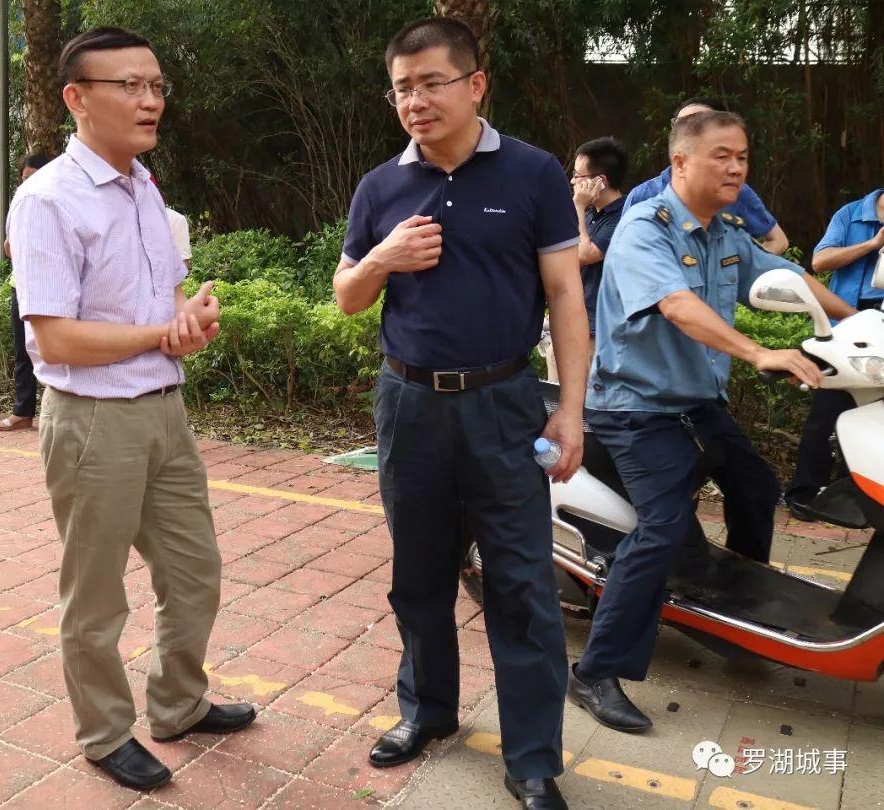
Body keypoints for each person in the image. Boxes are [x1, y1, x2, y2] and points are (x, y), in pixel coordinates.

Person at [334, 18, 589, 810]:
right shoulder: (381, 187)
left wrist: (570, 411)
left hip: (503, 404)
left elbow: (566, 296)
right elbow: (347, 297)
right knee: (418, 575)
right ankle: (427, 712)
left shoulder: (533, 173)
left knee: (521, 585)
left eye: (431, 83)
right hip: (408, 404)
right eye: (402, 89)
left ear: (475, 84)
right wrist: (382, 258)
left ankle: (533, 759)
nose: (415, 101)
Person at [6, 26, 254, 791]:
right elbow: (54, 337)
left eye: (156, 86)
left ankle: (178, 704)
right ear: (77, 98)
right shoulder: (47, 199)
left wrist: (188, 324)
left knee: (196, 572)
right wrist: (158, 334)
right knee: (96, 596)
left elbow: (163, 304)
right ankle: (106, 732)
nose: (150, 101)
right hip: (92, 423)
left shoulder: (144, 186)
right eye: (130, 86)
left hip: (164, 413)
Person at [568, 110, 857, 734]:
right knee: (662, 527)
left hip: (697, 406)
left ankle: (733, 611)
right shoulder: (644, 228)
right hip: (635, 412)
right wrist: (758, 352)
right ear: (680, 162)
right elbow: (676, 304)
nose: (735, 168)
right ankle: (595, 671)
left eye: (743, 157)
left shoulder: (724, 233)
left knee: (756, 488)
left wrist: (858, 322)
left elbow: (788, 276)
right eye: (721, 155)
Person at [785, 186, 884, 515]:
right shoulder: (851, 214)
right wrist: (873, 244)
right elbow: (820, 261)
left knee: (874, 419)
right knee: (826, 413)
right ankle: (803, 494)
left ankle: (861, 498)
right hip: (848, 328)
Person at [624, 97, 789, 255]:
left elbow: (778, 241)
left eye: (741, 158)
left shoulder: (734, 190)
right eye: (680, 124)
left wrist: (740, 268)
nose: (735, 170)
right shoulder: (643, 197)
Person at [547, 137, 627, 382]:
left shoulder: (624, 216)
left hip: (598, 330)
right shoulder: (590, 214)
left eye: (578, 176)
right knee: (556, 394)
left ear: (600, 180)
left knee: (584, 400)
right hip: (572, 321)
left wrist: (578, 206)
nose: (573, 181)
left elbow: (584, 254)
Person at [0, 153, 53, 432]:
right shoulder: (19, 206)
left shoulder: (59, 204)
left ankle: (58, 412)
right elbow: (9, 249)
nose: (28, 184)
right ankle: (23, 411)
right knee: (23, 351)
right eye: (24, 179)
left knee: (55, 350)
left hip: (52, 288)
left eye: (34, 178)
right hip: (21, 287)